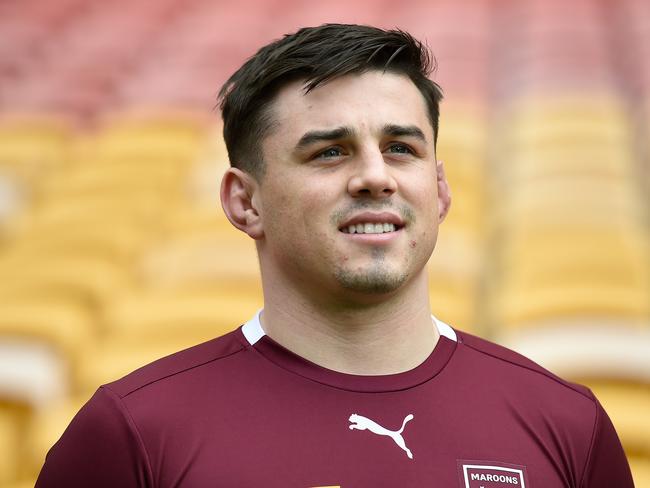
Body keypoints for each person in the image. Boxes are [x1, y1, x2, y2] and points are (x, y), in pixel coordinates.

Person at [36, 24, 634, 487]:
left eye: (401, 148)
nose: (375, 177)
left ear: (441, 189)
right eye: (329, 152)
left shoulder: (567, 425)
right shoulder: (132, 434)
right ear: (245, 202)